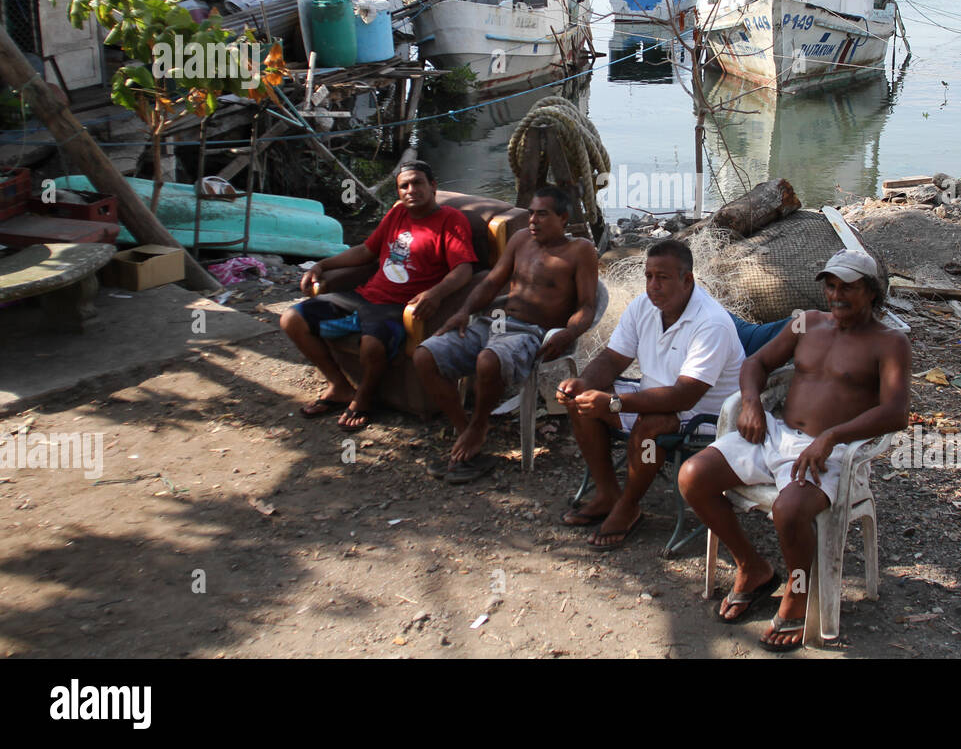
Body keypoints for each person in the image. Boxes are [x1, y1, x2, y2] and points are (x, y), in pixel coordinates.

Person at [678, 249, 911, 652]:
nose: (836, 296)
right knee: (693, 476)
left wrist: (833, 437)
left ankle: (798, 592)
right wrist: (751, 403)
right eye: (831, 286)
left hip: (831, 451)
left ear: (872, 292)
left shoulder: (890, 342)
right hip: (775, 433)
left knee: (789, 509)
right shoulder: (806, 321)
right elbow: (756, 364)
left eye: (849, 288)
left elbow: (896, 413)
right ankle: (752, 567)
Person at [556, 239, 743, 551]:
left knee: (652, 425)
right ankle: (608, 494)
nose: (653, 286)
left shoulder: (711, 324)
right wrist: (582, 383)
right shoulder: (643, 306)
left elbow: (684, 397)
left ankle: (629, 505)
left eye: (663, 278)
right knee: (582, 401)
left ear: (687, 280)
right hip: (654, 397)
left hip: (707, 418)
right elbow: (613, 359)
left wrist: (615, 402)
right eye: (649, 276)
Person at [415, 185, 599, 483]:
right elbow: (491, 283)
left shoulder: (580, 251)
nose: (533, 221)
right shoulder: (520, 240)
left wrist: (568, 333)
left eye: (542, 214)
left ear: (563, 217)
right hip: (494, 323)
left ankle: (478, 425)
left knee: (488, 361)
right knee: (425, 355)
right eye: (530, 214)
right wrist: (463, 312)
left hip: (533, 332)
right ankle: (467, 429)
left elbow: (588, 306)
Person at [280, 160, 475, 432]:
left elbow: (464, 268)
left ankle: (364, 397)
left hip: (399, 306)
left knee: (372, 345)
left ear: (432, 186)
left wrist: (436, 293)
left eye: (417, 183)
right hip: (363, 296)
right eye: (403, 186)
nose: (410, 190)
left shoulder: (451, 221)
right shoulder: (397, 215)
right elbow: (365, 251)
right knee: (292, 319)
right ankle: (339, 386)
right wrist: (322, 265)